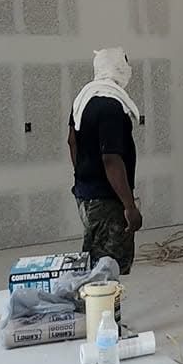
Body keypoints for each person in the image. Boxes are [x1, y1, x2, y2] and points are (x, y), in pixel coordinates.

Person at [68, 47, 143, 274]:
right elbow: (111, 159)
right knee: (107, 269)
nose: (129, 69)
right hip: (106, 201)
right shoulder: (110, 106)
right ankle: (101, 309)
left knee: (95, 261)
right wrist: (129, 206)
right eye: (125, 64)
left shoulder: (83, 100)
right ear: (117, 68)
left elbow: (72, 141)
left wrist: (84, 173)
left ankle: (95, 306)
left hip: (86, 194)